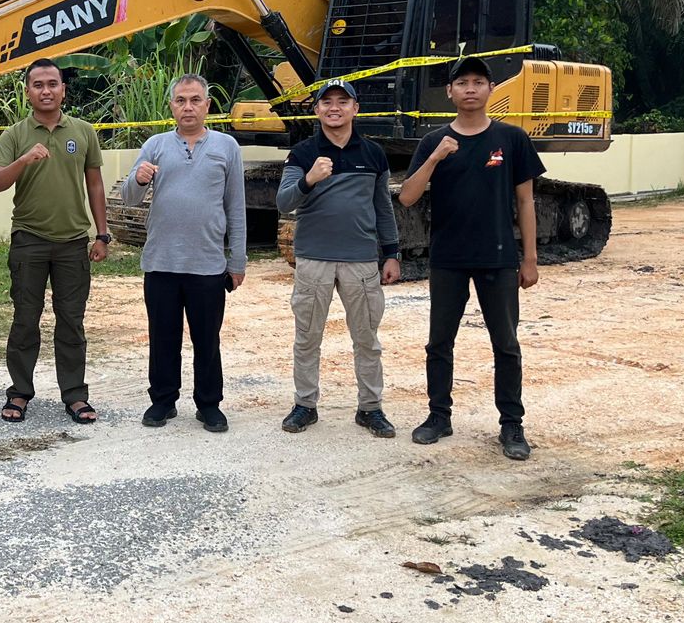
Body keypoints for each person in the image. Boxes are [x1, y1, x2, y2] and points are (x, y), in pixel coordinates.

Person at [398, 55, 546, 460]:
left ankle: (512, 425)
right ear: (449, 92)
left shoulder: (511, 139)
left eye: (478, 82)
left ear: (490, 90)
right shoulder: (434, 142)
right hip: (448, 257)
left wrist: (529, 259)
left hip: (498, 258)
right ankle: (438, 416)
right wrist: (435, 158)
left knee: (506, 344)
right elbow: (408, 197)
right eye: (462, 82)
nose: (470, 88)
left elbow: (525, 201)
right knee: (440, 342)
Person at [119, 74, 246, 433]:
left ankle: (209, 405)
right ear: (171, 106)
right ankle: (162, 401)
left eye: (194, 100)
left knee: (207, 339)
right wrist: (139, 178)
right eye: (180, 100)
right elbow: (130, 198)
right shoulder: (155, 145)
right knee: (163, 337)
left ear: (207, 105)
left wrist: (237, 260)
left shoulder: (226, 147)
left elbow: (236, 207)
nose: (187, 107)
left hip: (207, 264)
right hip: (161, 262)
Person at [275, 79, 401, 438]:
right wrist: (310, 179)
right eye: (326, 101)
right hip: (314, 259)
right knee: (307, 336)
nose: (334, 107)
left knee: (366, 338)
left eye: (342, 101)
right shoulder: (302, 153)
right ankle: (305, 405)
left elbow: (382, 208)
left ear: (355, 108)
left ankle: (370, 408)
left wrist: (391, 254)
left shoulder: (373, 153)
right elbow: (284, 202)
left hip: (361, 261)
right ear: (316, 110)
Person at [0, 59, 110, 424]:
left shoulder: (84, 132)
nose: (46, 90)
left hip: (74, 242)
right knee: (26, 319)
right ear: (28, 91)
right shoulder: (14, 135)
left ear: (63, 89)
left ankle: (74, 395)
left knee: (71, 321)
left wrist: (101, 234)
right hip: (29, 240)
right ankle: (20, 392)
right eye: (38, 84)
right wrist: (24, 160)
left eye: (52, 84)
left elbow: (95, 185)